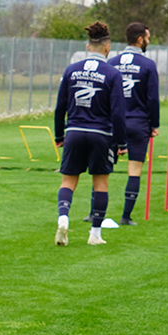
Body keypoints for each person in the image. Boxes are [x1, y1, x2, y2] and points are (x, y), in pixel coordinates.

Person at [52, 21, 127, 245]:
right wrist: (121, 142)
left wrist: (59, 135)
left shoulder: (71, 70)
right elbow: (118, 113)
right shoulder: (112, 73)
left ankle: (63, 217)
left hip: (74, 131)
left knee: (68, 181)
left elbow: (60, 107)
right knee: (100, 183)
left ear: (88, 47)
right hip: (100, 134)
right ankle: (95, 234)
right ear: (107, 48)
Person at [109, 22, 161, 225]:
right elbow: (153, 99)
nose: (148, 41)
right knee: (135, 169)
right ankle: (125, 216)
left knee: (103, 169)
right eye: (147, 37)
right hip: (138, 123)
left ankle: (94, 213)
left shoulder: (111, 62)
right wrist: (154, 124)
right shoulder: (148, 65)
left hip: (114, 123)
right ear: (140, 39)